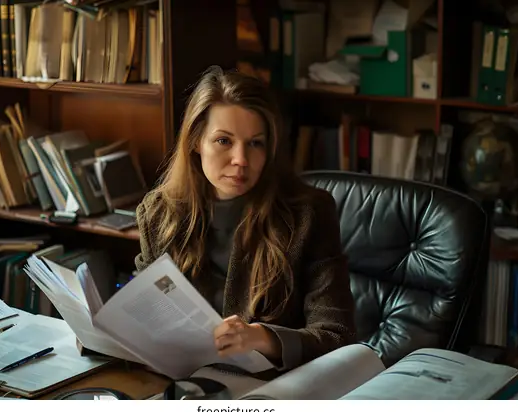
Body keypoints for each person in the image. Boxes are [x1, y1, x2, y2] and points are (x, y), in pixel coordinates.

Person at [134, 66, 356, 372]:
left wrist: (263, 338)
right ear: (196, 141)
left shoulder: (309, 215)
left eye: (255, 143)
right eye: (224, 141)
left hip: (273, 388)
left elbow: (338, 336)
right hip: (187, 382)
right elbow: (149, 312)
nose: (240, 159)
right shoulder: (159, 213)